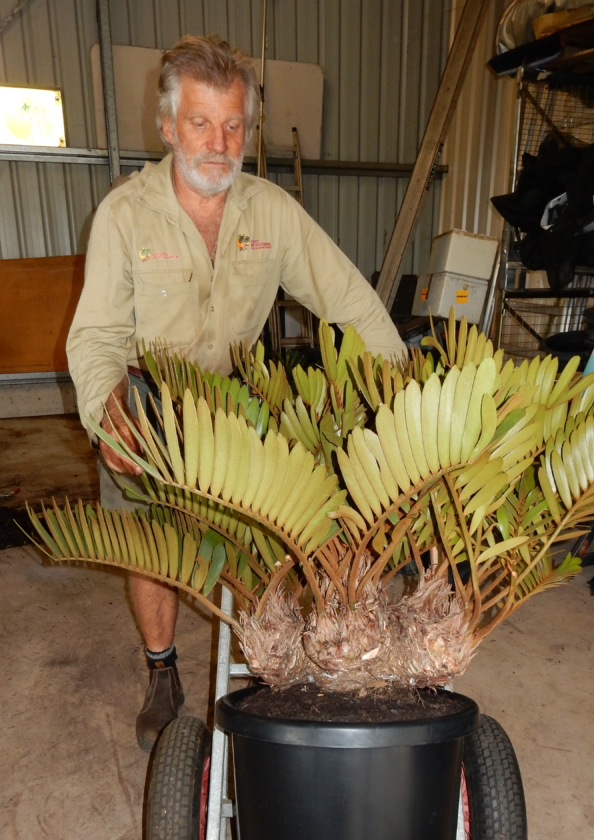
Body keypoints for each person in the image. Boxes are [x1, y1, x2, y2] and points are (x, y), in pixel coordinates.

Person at [66, 34, 407, 751]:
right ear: (167, 127)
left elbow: (351, 302)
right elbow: (94, 335)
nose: (218, 144)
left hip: (233, 402)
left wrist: (403, 397)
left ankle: (263, 656)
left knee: (263, 539)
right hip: (144, 402)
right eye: (200, 123)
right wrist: (108, 418)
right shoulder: (124, 216)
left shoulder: (270, 212)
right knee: (150, 547)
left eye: (232, 126)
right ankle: (162, 668)